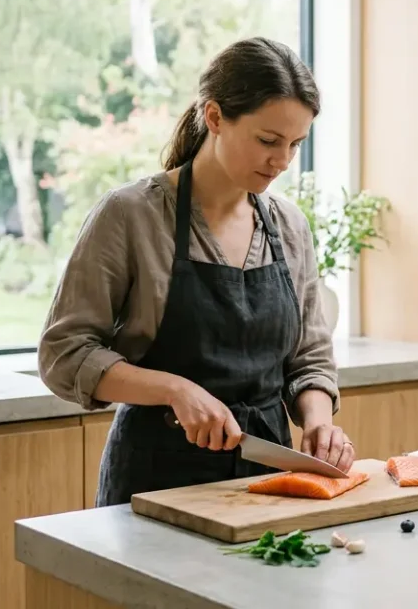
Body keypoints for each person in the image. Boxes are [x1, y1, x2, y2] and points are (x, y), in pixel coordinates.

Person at [38, 37, 354, 506]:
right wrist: (174, 389)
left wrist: (317, 420)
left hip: (269, 478)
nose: (283, 161)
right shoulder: (131, 215)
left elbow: (308, 357)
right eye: (268, 141)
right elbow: (64, 354)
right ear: (214, 118)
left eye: (295, 144)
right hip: (154, 480)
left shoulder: (289, 226)